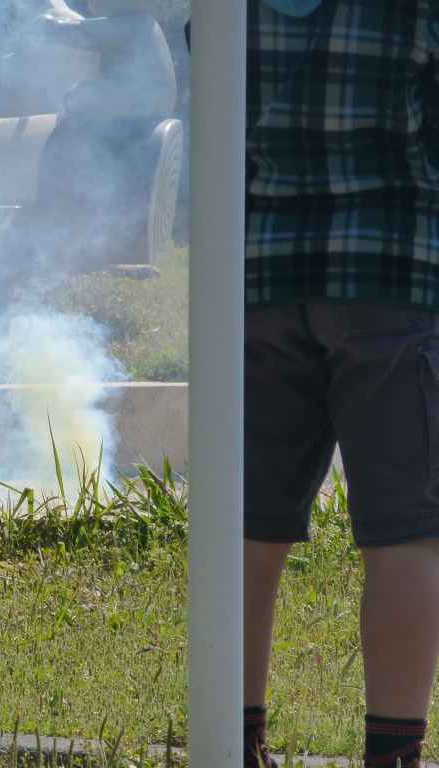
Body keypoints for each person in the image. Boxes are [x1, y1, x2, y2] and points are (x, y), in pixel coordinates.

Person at [242, 1, 439, 766]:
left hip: (257, 273)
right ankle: (392, 754)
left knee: (250, 529)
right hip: (395, 271)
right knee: (406, 533)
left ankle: (239, 737)